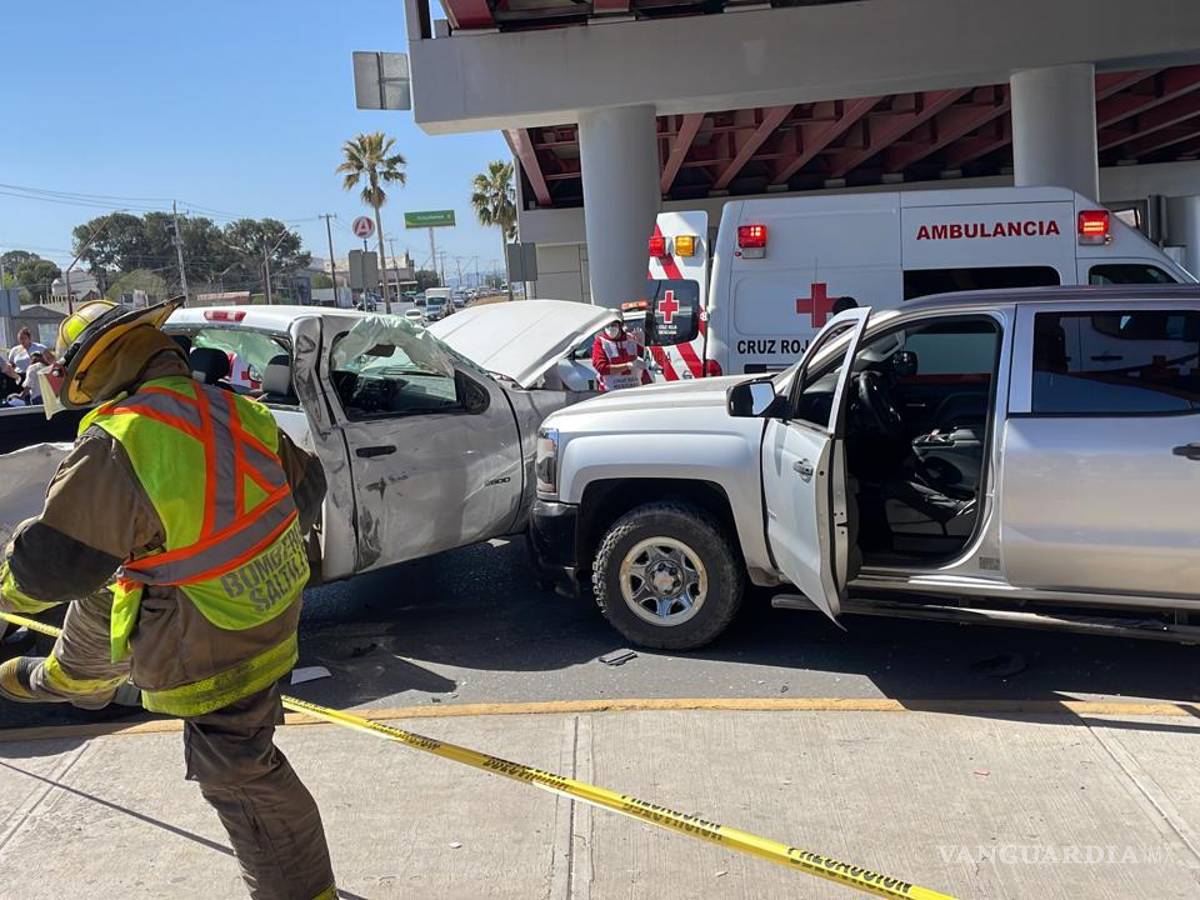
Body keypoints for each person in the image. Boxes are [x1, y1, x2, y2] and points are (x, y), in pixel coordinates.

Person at [0, 299, 336, 900]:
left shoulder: (120, 441)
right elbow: (307, 489)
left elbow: (51, 569)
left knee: (236, 770)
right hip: (270, 609)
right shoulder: (235, 409)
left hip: (208, 637)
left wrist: (5, 588)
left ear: (95, 369)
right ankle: (75, 678)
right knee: (117, 583)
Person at [591, 314, 651, 392]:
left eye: (613, 325)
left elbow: (647, 355)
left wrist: (643, 344)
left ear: (620, 325)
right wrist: (627, 366)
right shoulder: (601, 342)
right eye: (607, 325)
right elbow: (601, 368)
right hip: (610, 391)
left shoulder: (631, 339)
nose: (610, 328)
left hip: (634, 389)